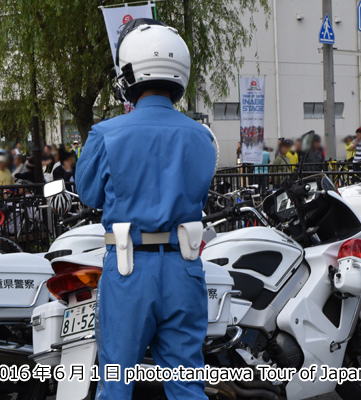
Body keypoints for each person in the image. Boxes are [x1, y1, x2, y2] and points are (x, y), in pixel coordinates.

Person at [75, 18, 214, 400]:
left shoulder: (107, 133)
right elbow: (198, 197)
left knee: (117, 383)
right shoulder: (203, 137)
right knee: (186, 382)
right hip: (184, 267)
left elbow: (87, 193)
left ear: (129, 72)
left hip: (128, 267)